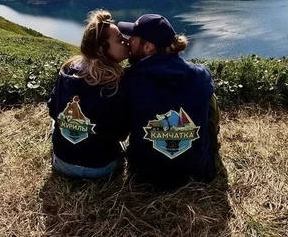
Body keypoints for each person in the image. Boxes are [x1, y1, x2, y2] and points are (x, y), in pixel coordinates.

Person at [118, 14, 220, 189]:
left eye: (133, 38)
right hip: (197, 173)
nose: (129, 42)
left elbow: (120, 130)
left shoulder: (129, 78)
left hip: (144, 175)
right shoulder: (201, 74)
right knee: (210, 98)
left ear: (149, 47)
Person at [47, 10, 130, 179]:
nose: (126, 42)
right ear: (102, 49)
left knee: (56, 125)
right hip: (101, 168)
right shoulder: (116, 82)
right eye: (120, 39)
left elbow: (52, 110)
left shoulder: (67, 71)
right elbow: (121, 133)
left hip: (62, 162)